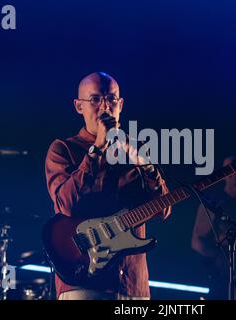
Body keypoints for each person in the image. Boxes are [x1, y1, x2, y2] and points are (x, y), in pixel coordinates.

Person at [45, 72, 171, 300]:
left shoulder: (135, 150)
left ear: (120, 105)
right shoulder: (63, 149)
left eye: (112, 99)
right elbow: (66, 205)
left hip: (133, 284)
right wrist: (98, 149)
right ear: (78, 107)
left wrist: (148, 167)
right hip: (84, 283)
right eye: (95, 99)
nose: (105, 107)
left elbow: (162, 210)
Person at [191, 156, 236, 300]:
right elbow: (197, 241)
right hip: (221, 276)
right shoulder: (212, 204)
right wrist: (219, 257)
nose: (235, 173)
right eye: (231, 170)